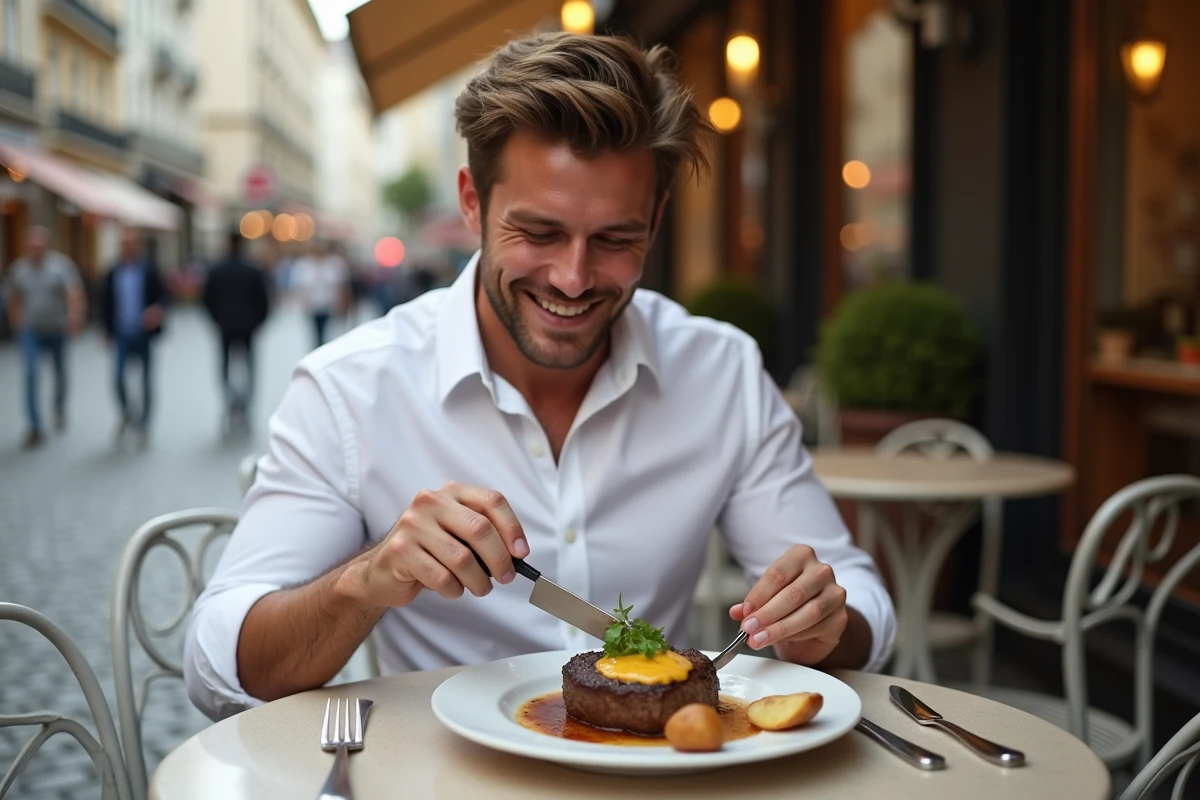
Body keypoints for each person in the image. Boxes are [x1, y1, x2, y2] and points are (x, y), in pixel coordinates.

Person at [184, 32, 895, 720]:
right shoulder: (352, 387)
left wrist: (824, 623)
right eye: (540, 233)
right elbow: (219, 665)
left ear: (658, 217)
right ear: (472, 202)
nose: (574, 278)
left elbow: (862, 604)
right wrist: (362, 582)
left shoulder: (721, 369)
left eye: (616, 239)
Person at [4, 225, 86, 449]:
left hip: (56, 328)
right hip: (30, 330)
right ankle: (34, 424)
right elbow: (13, 298)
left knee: (59, 372)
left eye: (39, 246)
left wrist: (73, 317)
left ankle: (59, 406)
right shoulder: (19, 270)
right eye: (31, 246)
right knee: (31, 373)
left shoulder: (61, 267)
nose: (35, 250)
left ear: (47, 246)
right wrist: (17, 324)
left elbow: (73, 294)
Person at [101, 227, 167, 446]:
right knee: (118, 378)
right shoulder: (113, 271)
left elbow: (165, 295)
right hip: (121, 332)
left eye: (130, 243)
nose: (127, 248)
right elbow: (107, 302)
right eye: (124, 244)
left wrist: (157, 309)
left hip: (143, 333)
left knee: (146, 380)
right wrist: (106, 331)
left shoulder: (148, 269)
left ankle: (145, 424)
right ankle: (127, 414)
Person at [203, 230, 271, 435]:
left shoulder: (217, 270)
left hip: (225, 327)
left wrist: (216, 320)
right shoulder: (252, 270)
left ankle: (231, 401)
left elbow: (207, 299)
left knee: (225, 368)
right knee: (248, 369)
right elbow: (264, 301)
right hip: (247, 328)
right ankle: (244, 406)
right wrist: (258, 322)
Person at [289, 239, 349, 348]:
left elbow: (340, 286)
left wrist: (341, 304)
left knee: (328, 330)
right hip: (313, 305)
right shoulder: (303, 266)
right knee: (316, 332)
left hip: (329, 304)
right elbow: (300, 287)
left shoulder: (334, 264)